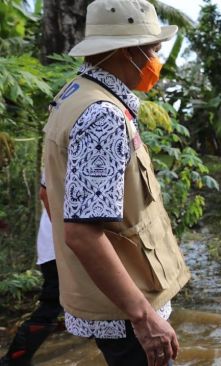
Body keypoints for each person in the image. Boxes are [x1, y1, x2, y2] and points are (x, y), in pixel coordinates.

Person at [41, 1, 190, 365]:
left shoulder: (73, 95)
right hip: (125, 309)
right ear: (129, 50)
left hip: (110, 297)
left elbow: (56, 198)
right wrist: (144, 318)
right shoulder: (102, 117)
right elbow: (81, 232)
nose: (157, 60)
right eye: (153, 50)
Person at [1, 186, 62, 366]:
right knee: (52, 304)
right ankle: (14, 361)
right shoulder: (60, 156)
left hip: (60, 245)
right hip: (60, 247)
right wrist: (64, 236)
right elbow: (46, 194)